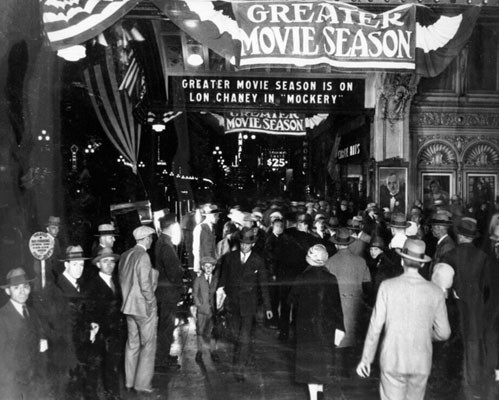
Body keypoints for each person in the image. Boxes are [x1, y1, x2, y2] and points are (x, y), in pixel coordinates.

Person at [356, 238, 451, 400]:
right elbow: (444, 333)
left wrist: (366, 359)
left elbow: (375, 327)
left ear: (401, 261)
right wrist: (426, 335)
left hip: (392, 359)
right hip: (421, 361)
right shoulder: (435, 292)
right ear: (422, 264)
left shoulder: (387, 286)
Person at [441, 217, 491, 399]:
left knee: (454, 353)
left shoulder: (449, 256)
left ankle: (458, 391)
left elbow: (442, 288)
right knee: (473, 353)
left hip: (454, 311)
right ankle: (472, 392)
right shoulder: (484, 258)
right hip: (476, 313)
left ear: (459, 235)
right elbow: (487, 289)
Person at [289, 245, 345, 400]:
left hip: (306, 329)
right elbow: (336, 307)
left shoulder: (302, 277)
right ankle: (320, 392)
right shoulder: (331, 278)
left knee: (309, 365)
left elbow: (291, 300)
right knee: (322, 362)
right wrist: (340, 328)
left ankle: (314, 397)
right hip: (326, 328)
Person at [217, 227, 273, 381]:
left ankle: (239, 369)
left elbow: (264, 285)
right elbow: (222, 281)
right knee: (235, 336)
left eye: (247, 244)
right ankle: (241, 359)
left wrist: (268, 307)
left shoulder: (258, 260)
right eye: (242, 243)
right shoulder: (229, 258)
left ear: (253, 244)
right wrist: (219, 300)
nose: (244, 246)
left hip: (249, 305)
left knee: (245, 337)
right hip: (232, 305)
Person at [49, 245, 100, 400]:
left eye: (82, 265)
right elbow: (64, 323)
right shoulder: (61, 288)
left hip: (78, 344)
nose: (79, 269)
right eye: (75, 264)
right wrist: (88, 333)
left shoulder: (75, 284)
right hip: (68, 348)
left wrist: (91, 323)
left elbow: (79, 314)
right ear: (66, 264)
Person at [326, 228, 371, 379]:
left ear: (337, 244)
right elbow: (367, 283)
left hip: (337, 304)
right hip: (355, 304)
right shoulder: (361, 261)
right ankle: (349, 370)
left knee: (337, 336)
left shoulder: (329, 262)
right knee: (353, 335)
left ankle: (334, 371)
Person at [118, 225, 158, 394]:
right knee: (148, 345)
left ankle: (129, 382)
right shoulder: (143, 256)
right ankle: (142, 384)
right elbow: (145, 285)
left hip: (128, 307)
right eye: (150, 238)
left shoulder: (125, 255)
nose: (151, 241)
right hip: (142, 307)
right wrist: (152, 302)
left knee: (132, 344)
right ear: (146, 239)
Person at [84, 247, 125, 400]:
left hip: (116, 334)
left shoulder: (116, 281)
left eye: (112, 261)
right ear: (98, 264)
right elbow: (90, 311)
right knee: (101, 369)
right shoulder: (92, 285)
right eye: (105, 261)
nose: (109, 264)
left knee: (113, 368)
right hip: (101, 336)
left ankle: (114, 395)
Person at [0, 268, 47, 400]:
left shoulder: (32, 313)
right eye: (16, 288)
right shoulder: (2, 317)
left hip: (34, 386)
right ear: (8, 291)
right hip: (11, 388)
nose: (22, 291)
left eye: (25, 286)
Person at [154, 214, 183, 370]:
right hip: (168, 293)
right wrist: (181, 281)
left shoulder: (162, 242)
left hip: (163, 292)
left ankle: (164, 356)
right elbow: (174, 272)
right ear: (172, 227)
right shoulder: (166, 245)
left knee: (165, 326)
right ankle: (161, 361)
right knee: (166, 327)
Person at [193, 256, 219, 363]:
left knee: (213, 332)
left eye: (210, 266)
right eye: (206, 266)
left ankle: (213, 351)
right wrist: (198, 304)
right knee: (200, 331)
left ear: (213, 267)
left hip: (213, 310)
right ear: (203, 267)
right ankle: (199, 352)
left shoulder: (216, 280)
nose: (208, 268)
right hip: (202, 311)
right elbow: (195, 294)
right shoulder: (199, 279)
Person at [420, 210, 455, 280]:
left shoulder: (447, 246)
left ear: (438, 228)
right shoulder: (444, 243)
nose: (431, 229)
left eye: (433, 226)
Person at [193, 204, 220, 273]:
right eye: (216, 215)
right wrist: (197, 268)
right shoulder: (199, 228)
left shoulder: (212, 229)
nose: (218, 218)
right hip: (203, 266)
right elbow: (196, 249)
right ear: (210, 216)